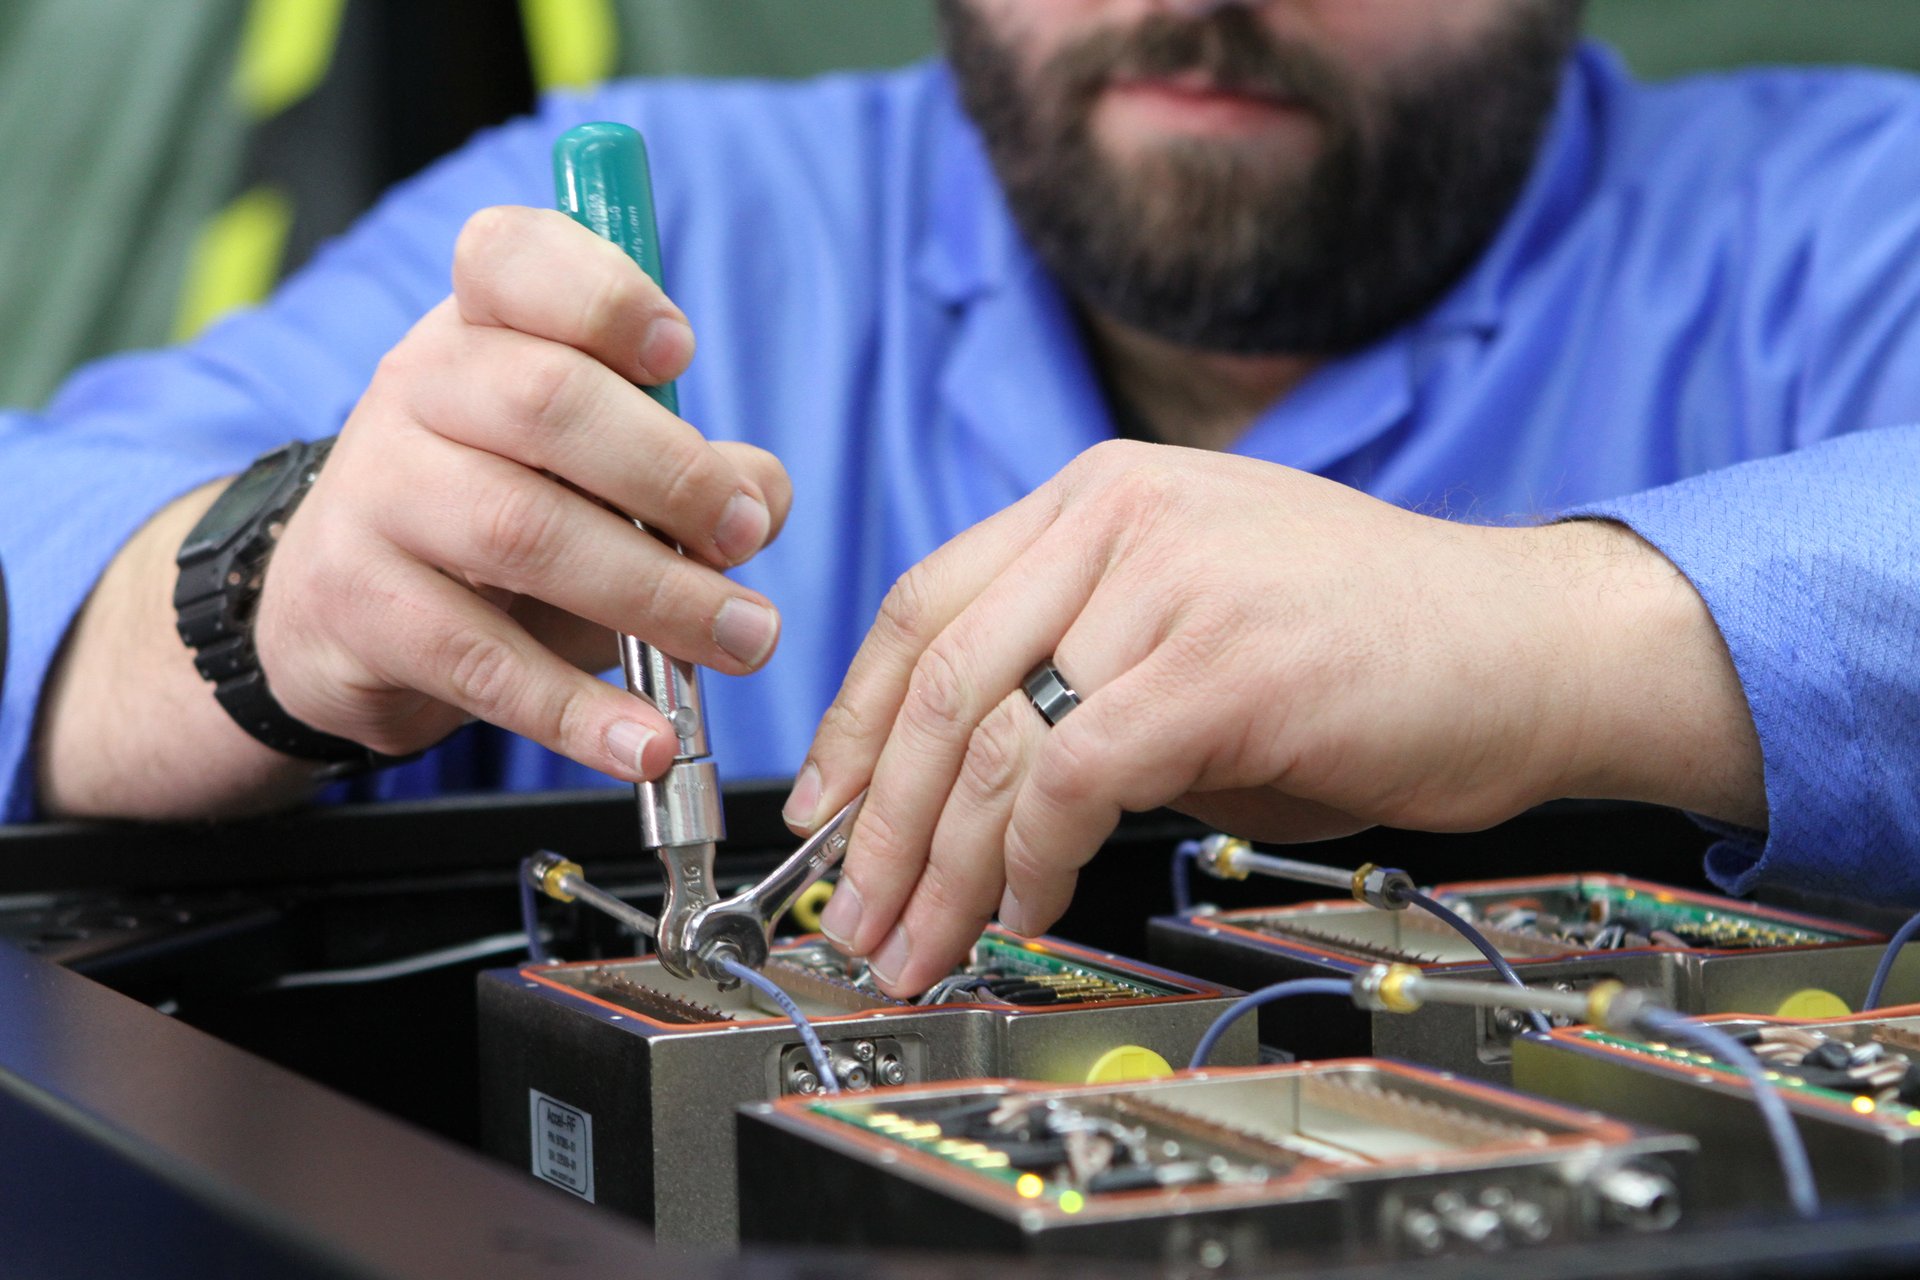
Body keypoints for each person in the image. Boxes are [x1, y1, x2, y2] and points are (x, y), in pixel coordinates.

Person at [1, 1, 1916, 996]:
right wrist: (267, 603)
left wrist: (1573, 627)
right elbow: (44, 527)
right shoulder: (676, 218)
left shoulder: (1839, 225)